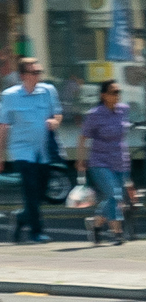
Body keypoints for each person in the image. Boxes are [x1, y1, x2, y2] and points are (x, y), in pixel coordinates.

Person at [5, 56, 63, 243]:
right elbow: (3, 126)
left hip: (43, 151)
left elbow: (58, 113)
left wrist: (55, 121)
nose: (38, 75)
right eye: (34, 72)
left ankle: (21, 217)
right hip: (22, 151)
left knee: (41, 192)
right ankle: (36, 232)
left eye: (39, 72)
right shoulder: (10, 96)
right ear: (23, 75)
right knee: (30, 190)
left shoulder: (48, 91)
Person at [76, 78, 133, 246]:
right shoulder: (95, 114)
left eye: (118, 92)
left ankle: (95, 225)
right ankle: (117, 232)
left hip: (120, 161)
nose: (117, 95)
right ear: (103, 95)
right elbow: (82, 138)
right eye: (113, 92)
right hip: (99, 162)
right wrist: (80, 160)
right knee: (114, 194)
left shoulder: (124, 110)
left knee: (112, 198)